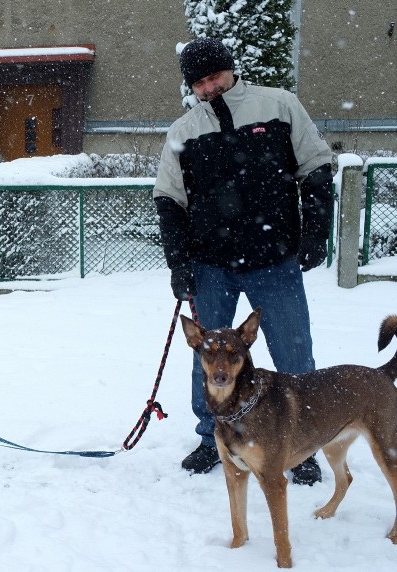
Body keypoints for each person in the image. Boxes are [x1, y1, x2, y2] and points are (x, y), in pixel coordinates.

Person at [153, 38, 333, 485]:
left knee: (293, 352)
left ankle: (301, 443)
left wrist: (315, 230)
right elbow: (169, 199)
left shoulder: (279, 105)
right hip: (210, 265)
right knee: (210, 356)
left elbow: (315, 167)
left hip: (274, 259)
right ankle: (210, 435)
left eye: (214, 77)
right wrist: (179, 261)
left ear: (231, 70)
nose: (209, 88)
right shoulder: (183, 131)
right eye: (199, 83)